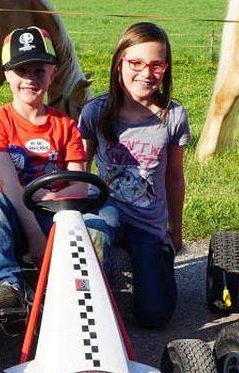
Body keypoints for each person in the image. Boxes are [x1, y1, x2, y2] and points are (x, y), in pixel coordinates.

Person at [0, 26, 112, 332]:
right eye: (21, 71)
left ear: (52, 74)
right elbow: (9, 185)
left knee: (97, 226)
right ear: (7, 75)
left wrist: (50, 201)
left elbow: (80, 183)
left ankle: (83, 294)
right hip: (12, 216)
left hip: (56, 214)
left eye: (39, 70)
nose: (30, 79)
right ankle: (8, 287)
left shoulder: (65, 126)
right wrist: (35, 235)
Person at [79, 22, 189, 328]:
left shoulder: (172, 116)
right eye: (136, 63)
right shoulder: (95, 112)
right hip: (107, 209)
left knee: (156, 316)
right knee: (95, 232)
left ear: (166, 69)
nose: (146, 73)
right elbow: (80, 168)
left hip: (147, 222)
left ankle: (150, 262)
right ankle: (87, 302)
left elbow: (174, 177)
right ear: (119, 64)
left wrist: (175, 231)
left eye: (156, 65)